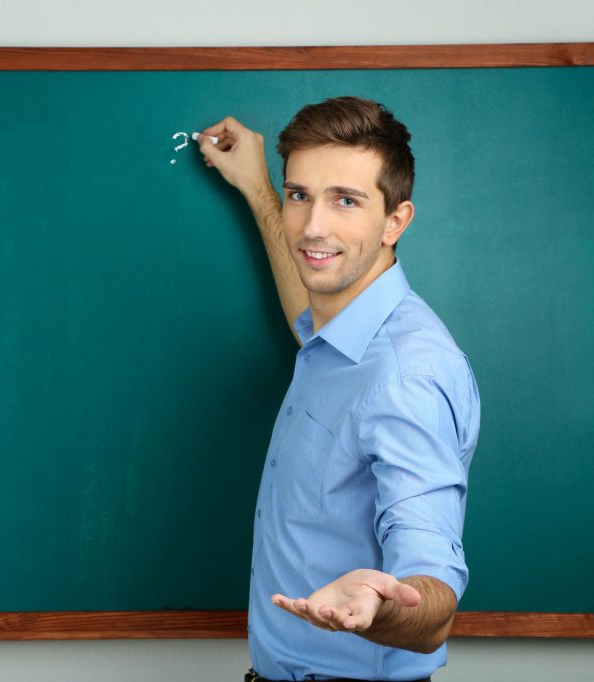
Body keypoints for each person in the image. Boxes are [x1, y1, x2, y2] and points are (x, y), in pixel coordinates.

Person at [197, 97, 480, 682]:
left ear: (395, 221)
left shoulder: (407, 379)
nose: (313, 226)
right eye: (301, 195)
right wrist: (259, 190)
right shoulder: (340, 339)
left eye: (345, 201)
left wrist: (380, 609)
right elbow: (311, 294)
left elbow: (431, 602)